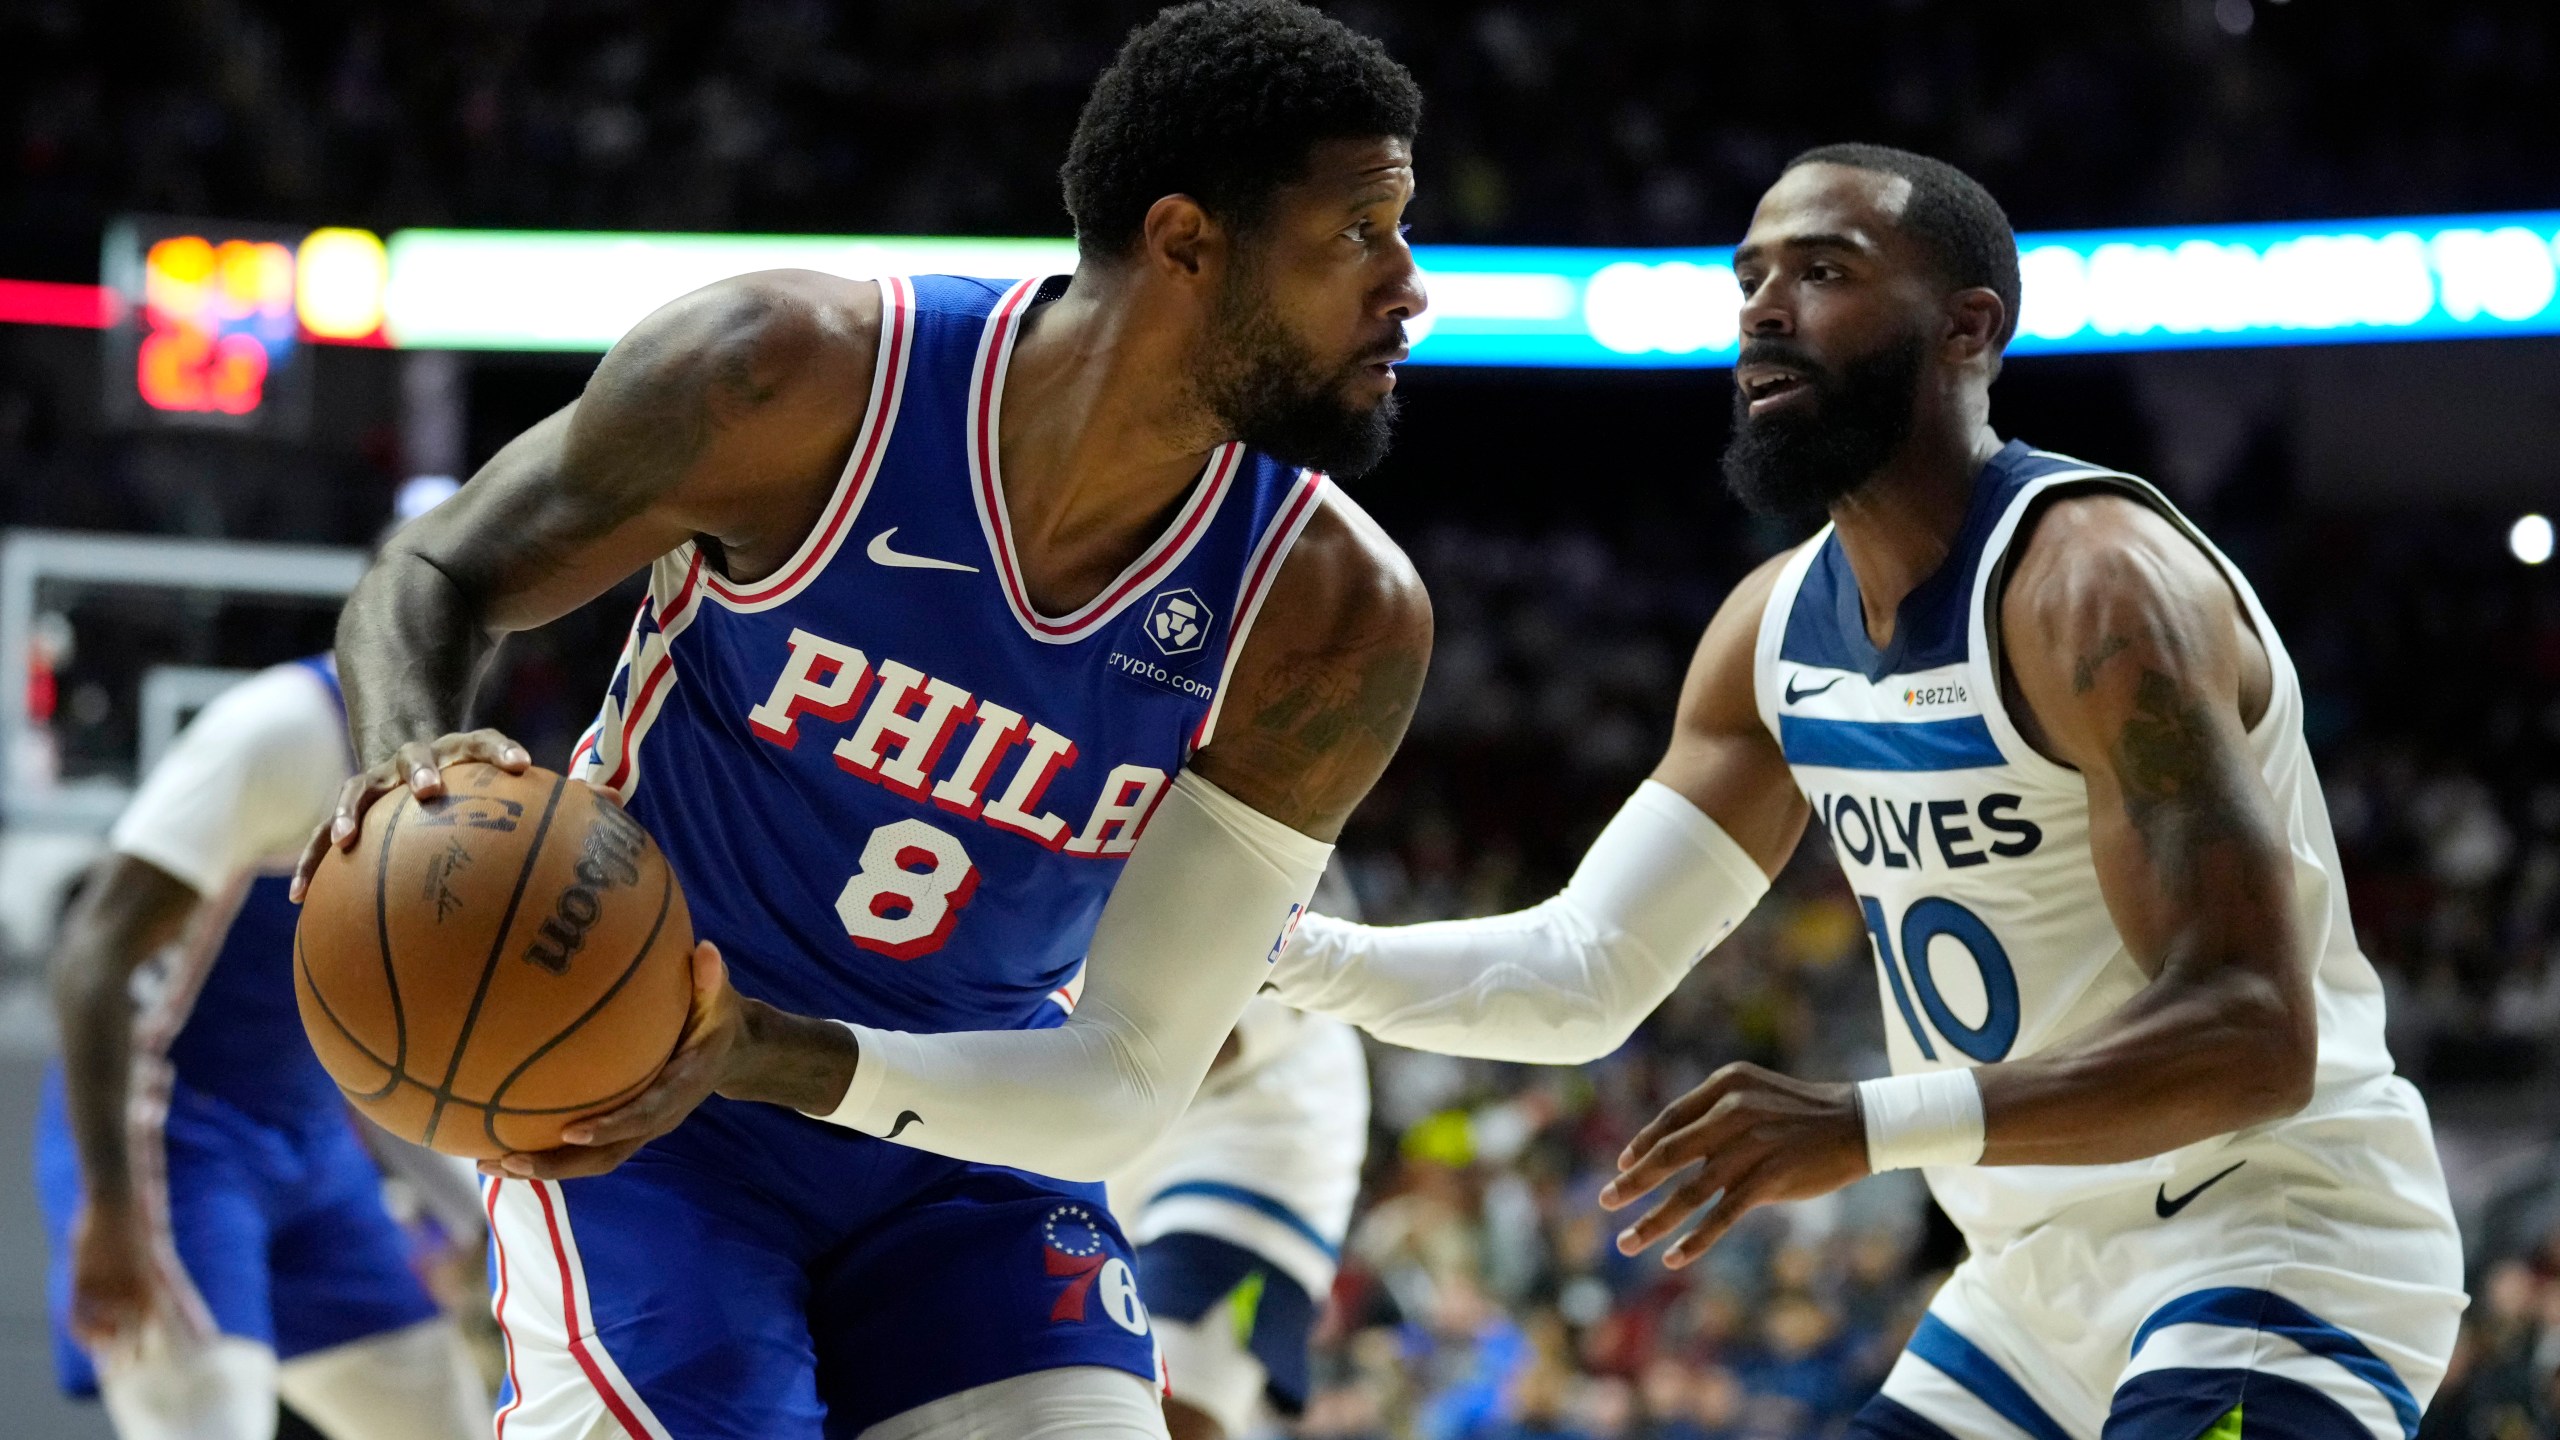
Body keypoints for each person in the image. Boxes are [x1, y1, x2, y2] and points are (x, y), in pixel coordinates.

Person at [292, 3, 1433, 1435]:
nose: (1408, 285)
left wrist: (772, 1050)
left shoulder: (1331, 615)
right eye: (1363, 230)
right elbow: (439, 567)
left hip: (965, 1135)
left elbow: (1134, 1073)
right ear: (1188, 241)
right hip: (643, 1108)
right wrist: (412, 768)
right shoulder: (797, 378)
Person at [1267, 144, 2464, 1440]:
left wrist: (1864, 1124)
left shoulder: (2096, 588)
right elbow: (1580, 972)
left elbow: (2254, 1037)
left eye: (1824, 272)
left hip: (2269, 1232)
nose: (1766, 309)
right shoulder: (1772, 633)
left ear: (1969, 328)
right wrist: (1281, 958)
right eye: (1751, 278)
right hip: (2028, 1280)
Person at [37, 654, 489, 1440]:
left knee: (448, 1422)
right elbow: (89, 958)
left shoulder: (473, 773)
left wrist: (474, 1216)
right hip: (174, 1142)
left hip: (313, 1146)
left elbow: (374, 1049)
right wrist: (108, 1203)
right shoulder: (281, 728)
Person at [1107, 870, 1373, 1440]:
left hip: (1243, 1188)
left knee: (1153, 1413)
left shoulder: (1280, 926)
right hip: (1183, 1178)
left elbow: (1183, 1057)